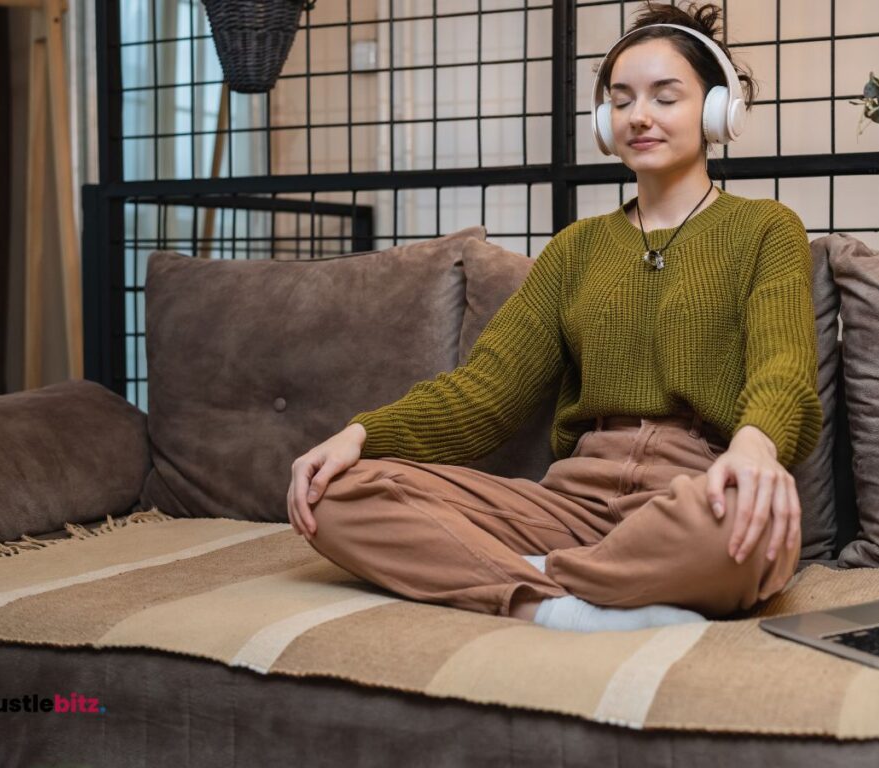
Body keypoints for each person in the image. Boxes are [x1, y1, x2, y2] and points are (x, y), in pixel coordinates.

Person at [286, 1, 822, 633]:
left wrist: (757, 446)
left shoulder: (766, 229)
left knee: (746, 531)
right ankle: (562, 603)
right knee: (340, 496)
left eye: (665, 97)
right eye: (621, 100)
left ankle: (516, 574)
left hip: (694, 491)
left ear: (715, 111)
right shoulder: (576, 249)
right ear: (603, 120)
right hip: (570, 500)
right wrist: (361, 436)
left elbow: (784, 368)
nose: (638, 116)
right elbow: (485, 394)